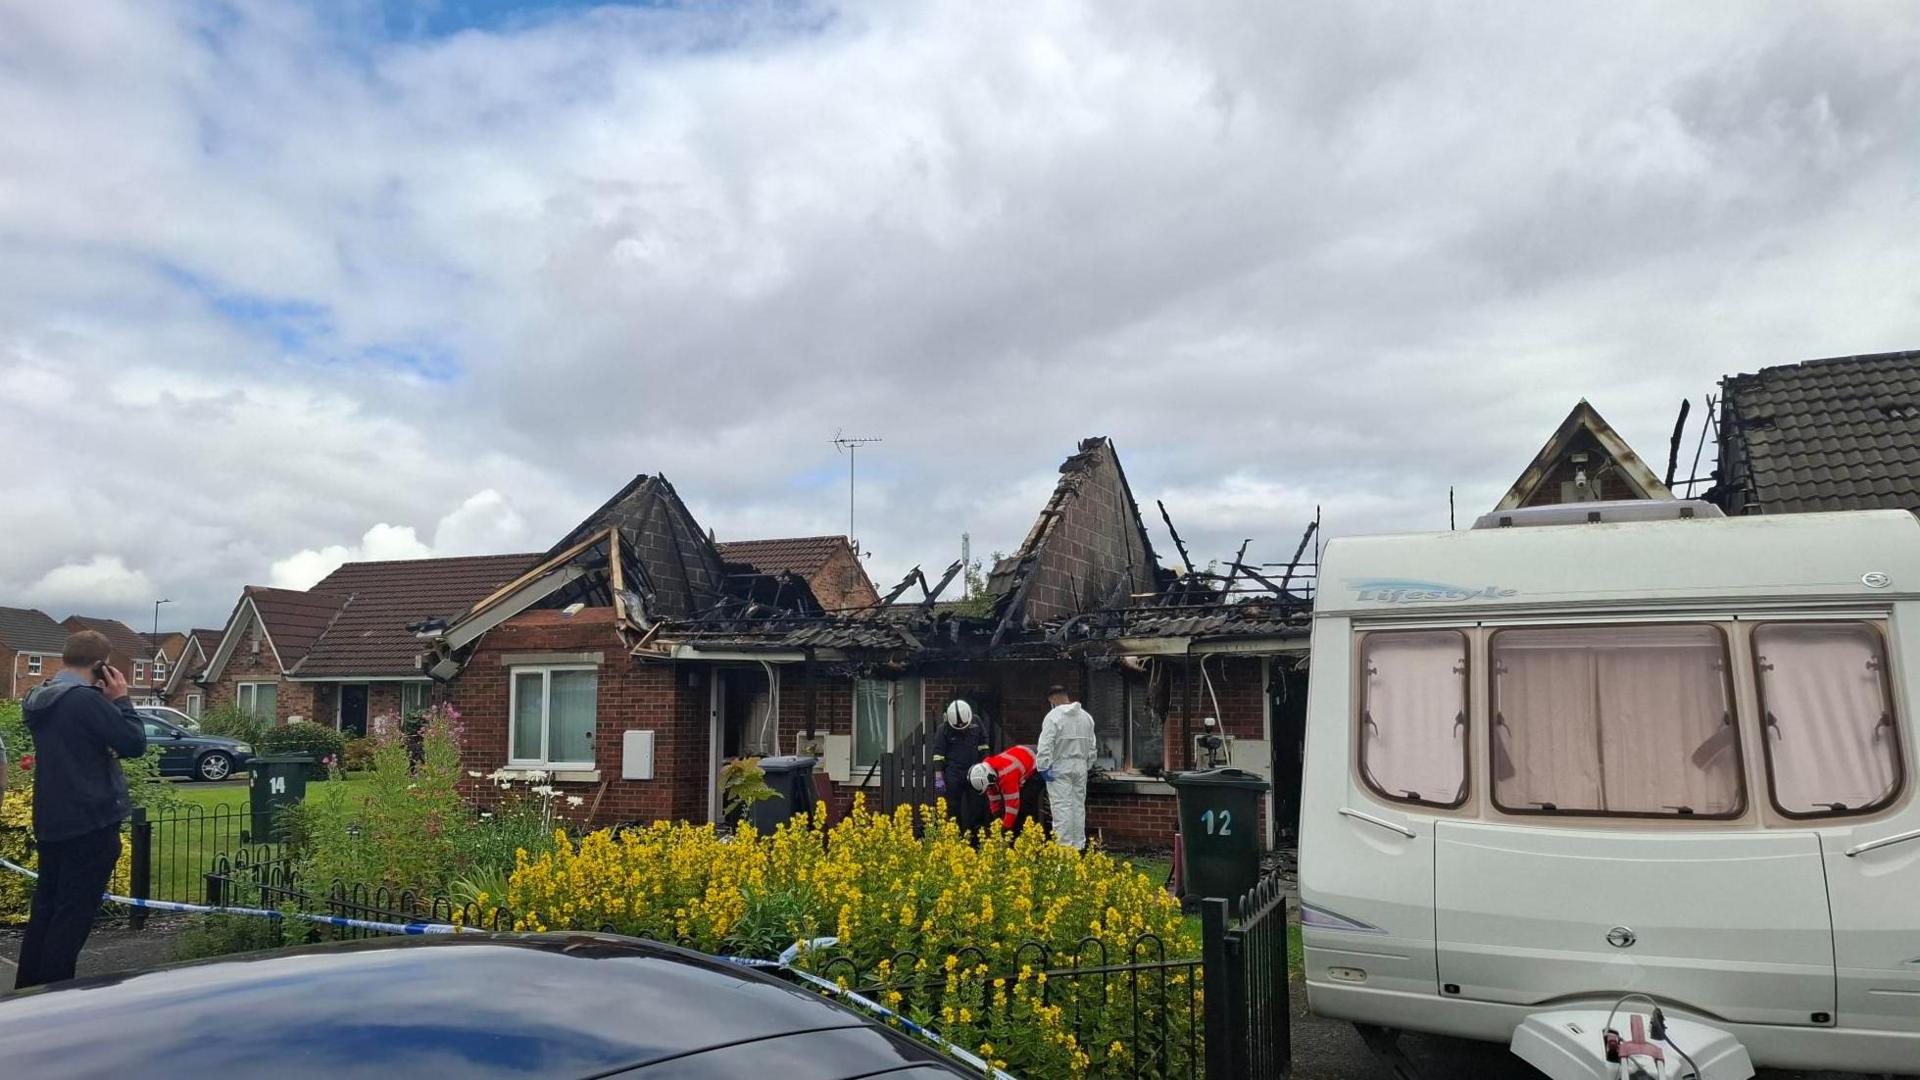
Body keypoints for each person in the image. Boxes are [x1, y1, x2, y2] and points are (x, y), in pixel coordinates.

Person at [15, 630, 146, 989]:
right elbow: (133, 743)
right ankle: (56, 997)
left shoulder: (38, 697)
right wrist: (121, 700)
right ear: (101, 665)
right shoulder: (85, 702)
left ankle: (28, 992)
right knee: (72, 915)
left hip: (52, 819)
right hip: (90, 821)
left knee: (47, 910)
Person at [1035, 684, 1098, 850]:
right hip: (1080, 767)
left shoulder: (1053, 717)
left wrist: (1043, 767)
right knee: (1078, 807)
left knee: (1061, 808)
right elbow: (1092, 747)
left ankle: (1064, 852)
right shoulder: (1086, 717)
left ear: (1052, 699)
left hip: (1059, 768)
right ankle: (1078, 847)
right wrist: (1086, 765)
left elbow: (1045, 744)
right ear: (1066, 695)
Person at [929, 699, 991, 831]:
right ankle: (954, 838)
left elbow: (984, 745)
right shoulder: (943, 729)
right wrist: (939, 776)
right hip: (953, 773)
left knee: (977, 808)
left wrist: (985, 765)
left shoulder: (977, 722)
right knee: (952, 809)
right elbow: (938, 754)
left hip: (975, 772)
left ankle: (975, 840)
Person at [968, 744, 1037, 836]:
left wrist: (1003, 831)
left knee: (1024, 804)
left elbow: (1013, 806)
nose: (989, 789)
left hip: (1036, 761)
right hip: (1021, 755)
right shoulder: (988, 773)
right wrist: (997, 821)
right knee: (1008, 815)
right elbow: (994, 800)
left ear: (992, 777)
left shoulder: (1007, 774)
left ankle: (1027, 836)